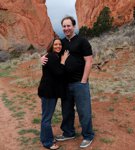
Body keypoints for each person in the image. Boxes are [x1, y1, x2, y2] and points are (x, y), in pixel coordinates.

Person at [41, 16, 94, 148]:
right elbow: (53, 52)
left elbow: (89, 61)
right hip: (64, 84)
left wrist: (83, 80)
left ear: (74, 26)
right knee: (67, 111)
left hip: (79, 83)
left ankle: (88, 135)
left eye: (68, 25)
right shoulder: (63, 42)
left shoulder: (82, 41)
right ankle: (68, 132)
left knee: (84, 111)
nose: (66, 28)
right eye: (64, 26)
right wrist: (42, 58)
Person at [38, 37, 69, 150]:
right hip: (48, 92)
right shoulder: (51, 57)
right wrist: (63, 61)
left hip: (50, 91)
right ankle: (47, 142)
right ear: (51, 45)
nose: (58, 46)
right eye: (55, 44)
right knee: (46, 118)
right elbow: (59, 73)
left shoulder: (53, 56)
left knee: (45, 116)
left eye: (60, 44)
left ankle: (45, 137)